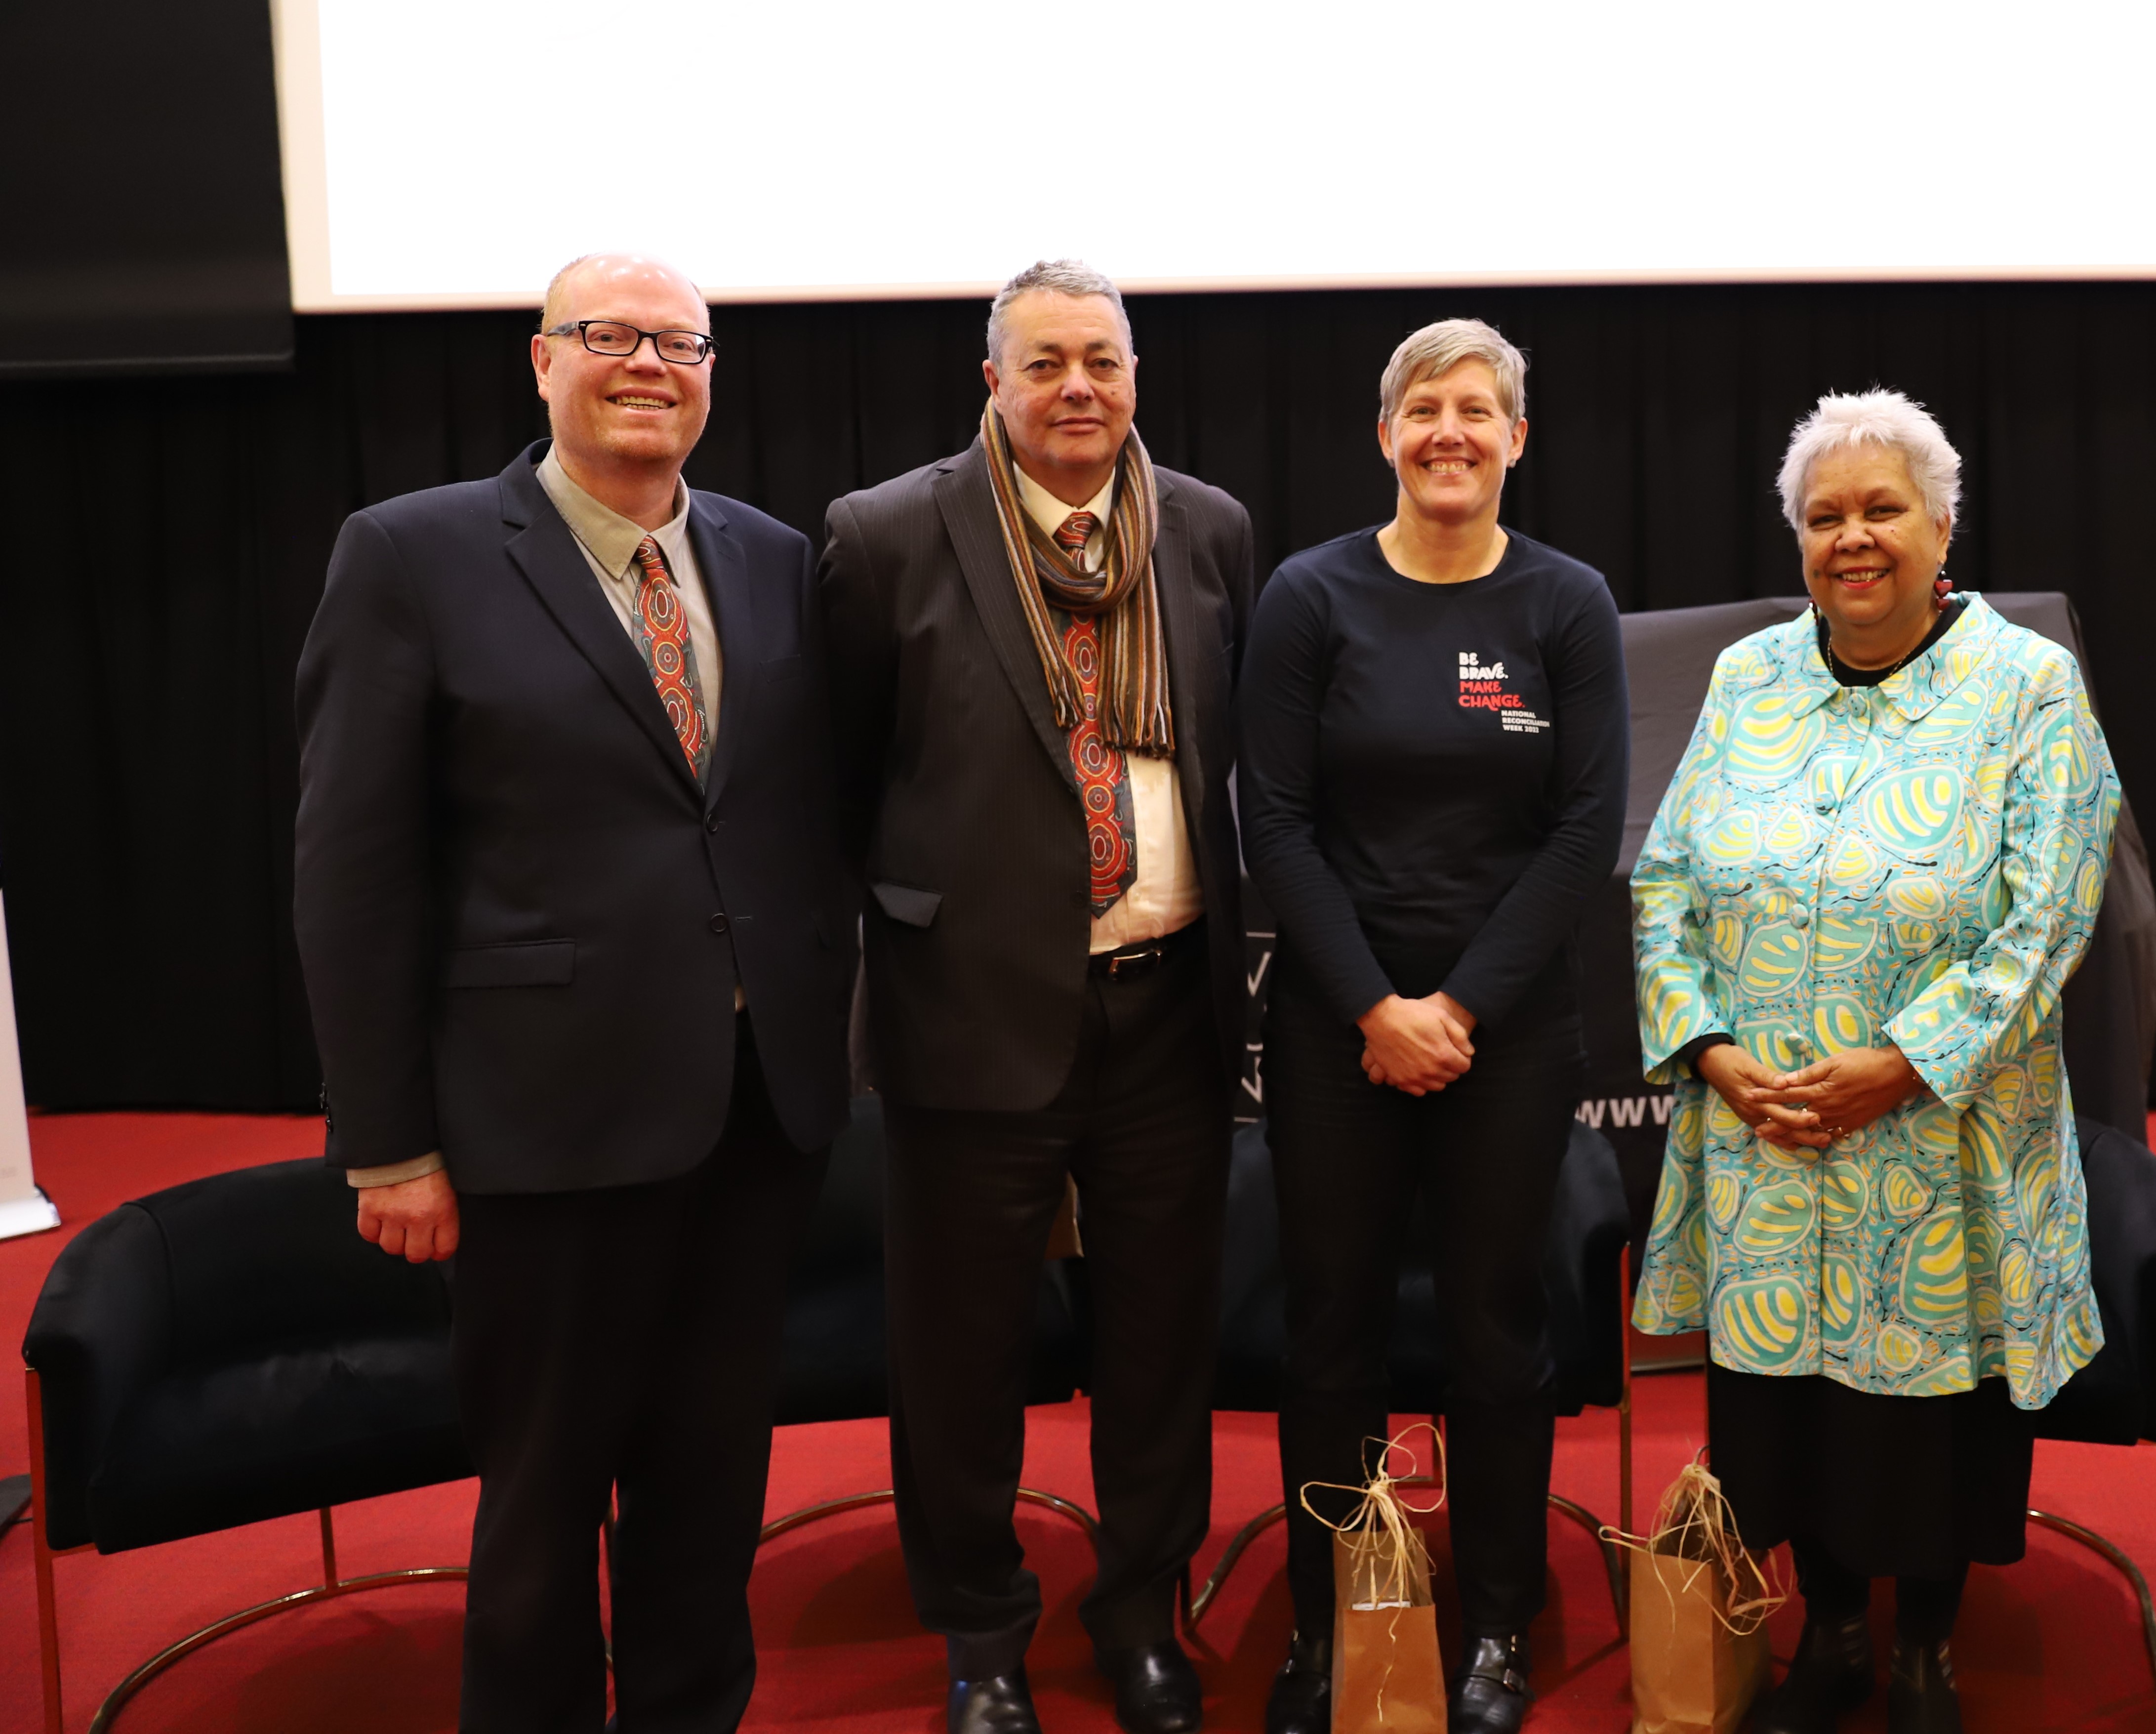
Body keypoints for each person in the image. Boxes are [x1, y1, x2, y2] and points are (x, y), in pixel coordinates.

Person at [295, 252, 854, 1733]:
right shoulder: (410, 554)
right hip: (538, 1124)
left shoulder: (771, 556)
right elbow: (353, 871)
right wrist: (386, 1141)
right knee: (543, 1500)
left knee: (712, 1481)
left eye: (682, 343)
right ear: (542, 361)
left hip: (751, 1117)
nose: (649, 364)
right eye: (610, 335)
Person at [1631, 390, 2123, 1734]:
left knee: (1930, 1424)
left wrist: (1901, 1066)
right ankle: (1836, 1635)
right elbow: (1664, 879)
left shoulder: (2028, 687)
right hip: (1766, 1138)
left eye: (1882, 510)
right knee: (1787, 1414)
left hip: (1938, 1142)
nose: (1852, 537)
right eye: (1825, 516)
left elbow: (2049, 919)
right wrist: (1711, 1050)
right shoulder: (1748, 677)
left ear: (1943, 526)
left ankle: (1926, 1655)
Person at [821, 260, 1257, 1734]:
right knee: (960, 1354)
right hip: (970, 1009)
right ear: (991, 382)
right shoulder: (885, 535)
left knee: (1159, 1344)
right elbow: (844, 778)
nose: (1079, 388)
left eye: (1104, 361)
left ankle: (1143, 1615)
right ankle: (981, 1637)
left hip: (1168, 1007)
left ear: (1136, 376)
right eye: (1047, 362)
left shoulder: (1207, 526)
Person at [1238, 318, 1628, 1734]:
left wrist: (1455, 1009)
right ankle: (1334, 1620)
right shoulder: (1309, 595)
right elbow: (1275, 821)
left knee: (1497, 1333)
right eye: (1424, 408)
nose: (1449, 431)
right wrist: (1375, 1007)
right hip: (1338, 1027)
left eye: (1478, 409)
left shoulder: (1567, 602)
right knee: (1331, 1333)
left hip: (1503, 1035)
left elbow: (1585, 830)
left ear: (1518, 437)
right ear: (1386, 434)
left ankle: (1499, 1626)